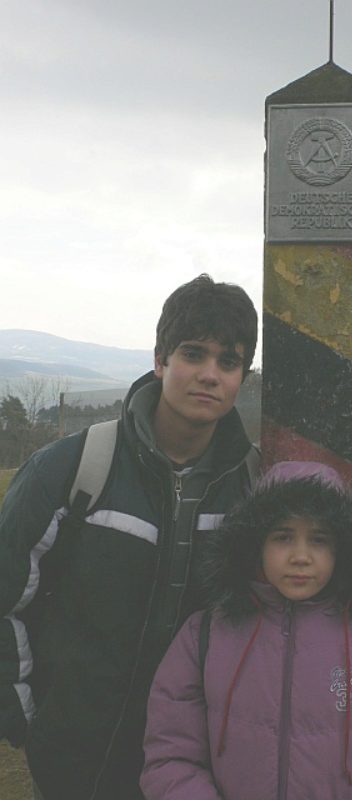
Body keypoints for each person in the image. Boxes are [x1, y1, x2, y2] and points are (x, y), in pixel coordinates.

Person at [0, 274, 259, 800]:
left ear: (242, 378)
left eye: (227, 362)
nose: (209, 375)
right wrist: (29, 719)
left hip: (199, 770)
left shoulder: (255, 492)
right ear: (160, 360)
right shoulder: (69, 471)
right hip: (78, 765)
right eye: (193, 354)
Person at [140, 461, 352, 800]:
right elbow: (170, 758)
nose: (301, 556)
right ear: (256, 544)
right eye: (283, 537)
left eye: (319, 539)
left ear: (342, 548)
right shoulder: (203, 637)